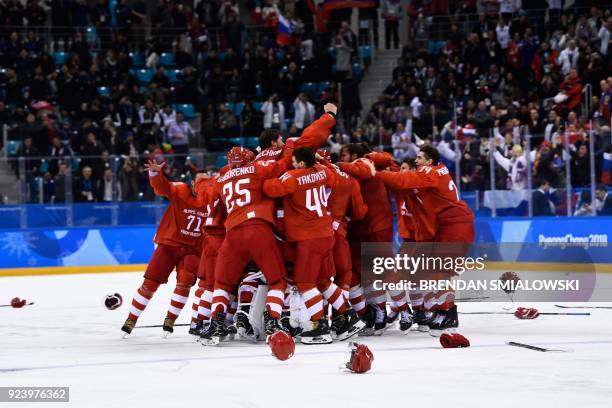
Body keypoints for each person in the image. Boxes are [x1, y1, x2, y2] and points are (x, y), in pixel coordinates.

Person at [367, 145, 475, 335]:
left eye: (419, 158)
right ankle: (437, 311)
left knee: (439, 272)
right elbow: (401, 175)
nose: (416, 161)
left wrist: (374, 173)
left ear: (429, 161)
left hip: (454, 225)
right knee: (434, 272)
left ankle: (446, 313)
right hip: (449, 224)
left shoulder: (429, 172)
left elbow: (404, 179)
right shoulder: (437, 171)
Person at [263, 147, 365, 343]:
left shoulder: (292, 177)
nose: (291, 164)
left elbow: (269, 188)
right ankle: (349, 316)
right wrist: (318, 161)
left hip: (309, 237)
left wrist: (271, 171)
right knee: (323, 281)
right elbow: (333, 176)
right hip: (327, 234)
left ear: (301, 163)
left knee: (305, 283)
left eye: (294, 161)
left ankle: (319, 326)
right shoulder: (323, 172)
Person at [121, 160, 206, 335]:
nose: (203, 185)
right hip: (170, 243)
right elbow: (162, 188)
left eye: (207, 182)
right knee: (150, 283)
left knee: (186, 279)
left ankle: (170, 320)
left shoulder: (213, 198)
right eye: (200, 181)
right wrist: (155, 174)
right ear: (192, 183)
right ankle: (131, 319)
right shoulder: (181, 190)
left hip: (193, 249)